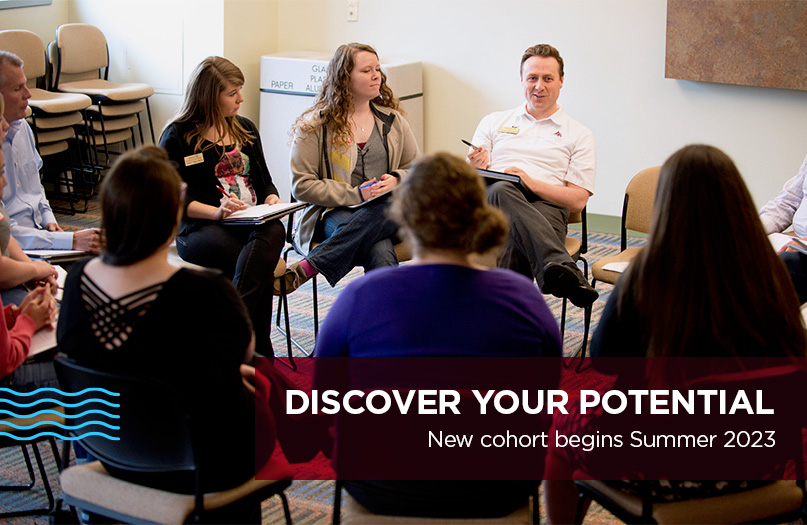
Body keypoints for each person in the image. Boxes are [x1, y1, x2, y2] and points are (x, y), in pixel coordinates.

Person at [542, 145, 807, 523]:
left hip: (663, 470)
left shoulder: (646, 276)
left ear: (666, 205)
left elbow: (604, 360)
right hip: (759, 461)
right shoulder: (772, 274)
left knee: (561, 434)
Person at [314, 152, 562, 518]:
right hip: (497, 492)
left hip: (383, 490)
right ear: (478, 216)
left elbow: (325, 403)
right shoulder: (524, 297)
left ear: (404, 219)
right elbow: (543, 400)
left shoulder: (360, 297)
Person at [56, 146, 297, 522]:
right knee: (264, 393)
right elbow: (244, 353)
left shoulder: (75, 283)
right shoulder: (205, 292)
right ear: (174, 215)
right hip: (203, 465)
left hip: (114, 453)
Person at [159, 56, 285, 359]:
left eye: (240, 90)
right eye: (232, 93)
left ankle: (232, 336)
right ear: (208, 97)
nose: (241, 98)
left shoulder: (245, 129)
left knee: (274, 230)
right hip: (201, 227)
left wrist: (271, 199)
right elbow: (174, 199)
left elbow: (265, 181)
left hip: (251, 222)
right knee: (259, 263)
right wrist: (216, 212)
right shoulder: (178, 136)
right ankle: (259, 352)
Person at [281, 42, 420, 293]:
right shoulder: (314, 126)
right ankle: (389, 324)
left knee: (385, 211)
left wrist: (398, 179)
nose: (376, 75)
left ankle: (310, 267)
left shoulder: (393, 121)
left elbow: (417, 170)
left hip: (391, 210)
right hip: (336, 212)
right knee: (377, 246)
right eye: (366, 71)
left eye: (377, 69)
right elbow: (301, 185)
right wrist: (357, 195)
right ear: (344, 78)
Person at [467, 44, 598, 308]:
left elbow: (577, 201)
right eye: (532, 78)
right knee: (501, 190)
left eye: (548, 78)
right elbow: (468, 183)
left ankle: (504, 337)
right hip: (492, 206)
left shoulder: (579, 134)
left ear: (561, 82)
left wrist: (531, 183)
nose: (539, 86)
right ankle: (560, 265)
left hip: (547, 209)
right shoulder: (493, 121)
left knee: (515, 240)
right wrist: (475, 165)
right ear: (522, 81)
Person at [0, 51, 99, 254]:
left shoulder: (23, 129)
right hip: (15, 249)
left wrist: (48, 219)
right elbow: (5, 234)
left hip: (41, 236)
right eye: (18, 88)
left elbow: (35, 190)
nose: (28, 94)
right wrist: (65, 240)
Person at [0, 94, 59, 396]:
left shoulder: (22, 128)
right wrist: (25, 321)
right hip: (6, 381)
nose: (5, 183)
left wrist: (14, 316)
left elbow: (4, 233)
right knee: (92, 370)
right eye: (0, 173)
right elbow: (6, 359)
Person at [759, 153, 807, 303]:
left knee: (782, 266)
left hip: (800, 252)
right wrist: (752, 229)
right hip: (797, 243)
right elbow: (788, 201)